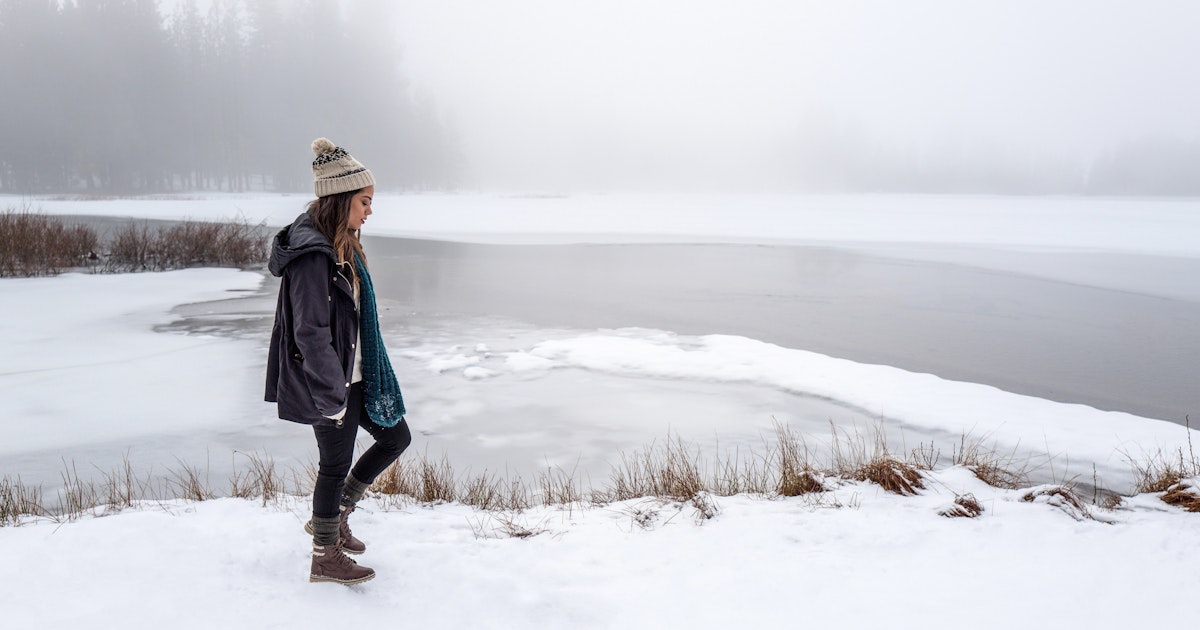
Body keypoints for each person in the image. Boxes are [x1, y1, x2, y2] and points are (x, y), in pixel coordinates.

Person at [265, 137, 411, 585]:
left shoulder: (341, 245)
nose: (370, 211)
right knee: (334, 465)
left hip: (356, 374)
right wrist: (332, 394)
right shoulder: (313, 255)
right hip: (329, 381)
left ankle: (334, 517)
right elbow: (310, 332)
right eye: (365, 201)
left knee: (395, 437)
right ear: (341, 198)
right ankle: (324, 556)